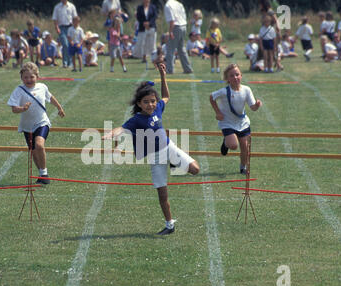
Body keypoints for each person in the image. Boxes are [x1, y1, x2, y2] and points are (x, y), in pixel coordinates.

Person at [102, 63, 200, 235]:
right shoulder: (136, 119)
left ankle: (173, 163)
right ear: (139, 104)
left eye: (152, 101)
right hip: (155, 158)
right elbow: (122, 128)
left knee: (195, 169)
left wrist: (163, 77)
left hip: (168, 148)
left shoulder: (158, 109)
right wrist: (111, 133)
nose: (150, 105)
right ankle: (170, 225)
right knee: (163, 195)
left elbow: (166, 97)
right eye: (146, 102)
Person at [7, 62, 66, 185]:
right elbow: (13, 109)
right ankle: (41, 175)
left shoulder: (42, 87)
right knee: (33, 151)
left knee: (39, 145)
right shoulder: (19, 90)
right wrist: (22, 109)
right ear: (21, 78)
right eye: (26, 77)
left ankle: (44, 173)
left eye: (31, 77)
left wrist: (59, 107)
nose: (29, 80)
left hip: (41, 122)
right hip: (27, 126)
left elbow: (50, 97)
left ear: (37, 76)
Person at [209, 64, 262, 174]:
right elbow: (211, 97)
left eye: (237, 75)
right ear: (227, 79)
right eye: (232, 76)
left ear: (241, 76)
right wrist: (218, 112)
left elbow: (252, 107)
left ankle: (243, 167)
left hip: (242, 123)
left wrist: (256, 105)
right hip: (227, 123)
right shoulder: (224, 91)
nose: (235, 77)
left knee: (245, 148)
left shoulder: (247, 90)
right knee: (233, 145)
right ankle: (226, 143)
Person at [164, 0, 193, 74]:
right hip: (183, 26)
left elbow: (172, 21)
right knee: (181, 49)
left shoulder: (168, 5)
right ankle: (187, 68)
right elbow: (184, 17)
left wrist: (170, 32)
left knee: (170, 49)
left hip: (176, 27)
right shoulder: (179, 4)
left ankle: (169, 70)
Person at [52, 0, 78, 68]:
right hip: (62, 28)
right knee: (65, 44)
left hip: (70, 27)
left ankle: (70, 62)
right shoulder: (57, 7)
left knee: (70, 45)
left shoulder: (72, 6)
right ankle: (65, 62)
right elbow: (55, 19)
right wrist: (56, 27)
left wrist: (75, 27)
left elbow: (75, 18)